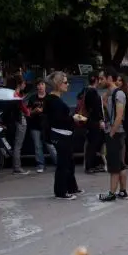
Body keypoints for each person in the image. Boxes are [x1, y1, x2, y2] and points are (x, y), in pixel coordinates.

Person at [45, 71, 82, 200]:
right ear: (58, 84)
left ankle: (72, 187)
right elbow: (58, 120)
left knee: (69, 162)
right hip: (59, 134)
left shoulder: (55, 99)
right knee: (63, 164)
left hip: (64, 134)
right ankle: (60, 192)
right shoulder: (53, 100)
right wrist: (73, 118)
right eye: (65, 82)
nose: (68, 85)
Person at [99, 69, 128, 201]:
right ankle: (122, 191)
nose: (99, 81)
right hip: (114, 131)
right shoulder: (111, 93)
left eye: (101, 79)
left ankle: (112, 193)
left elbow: (119, 116)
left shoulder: (119, 94)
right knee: (120, 164)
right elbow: (108, 110)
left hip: (116, 132)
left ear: (109, 78)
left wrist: (111, 133)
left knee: (114, 166)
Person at [27, 78, 56, 173]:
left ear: (45, 86)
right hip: (35, 125)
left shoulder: (50, 97)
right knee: (37, 146)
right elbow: (28, 112)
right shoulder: (32, 98)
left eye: (42, 84)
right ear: (36, 86)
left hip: (47, 126)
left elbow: (53, 112)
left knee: (50, 145)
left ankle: (58, 163)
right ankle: (40, 165)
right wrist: (34, 111)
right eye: (38, 85)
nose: (40, 86)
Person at [6, 73, 30, 175]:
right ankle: (17, 168)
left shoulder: (12, 93)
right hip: (20, 120)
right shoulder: (17, 95)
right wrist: (28, 111)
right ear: (19, 84)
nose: (25, 85)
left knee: (16, 144)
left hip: (15, 121)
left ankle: (16, 167)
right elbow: (24, 109)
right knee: (18, 145)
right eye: (24, 83)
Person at [83, 70, 106, 173]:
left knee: (93, 143)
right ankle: (90, 166)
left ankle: (92, 164)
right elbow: (96, 108)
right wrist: (100, 120)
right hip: (94, 121)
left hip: (90, 121)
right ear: (96, 80)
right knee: (94, 144)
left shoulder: (86, 91)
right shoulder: (92, 92)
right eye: (99, 79)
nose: (100, 81)